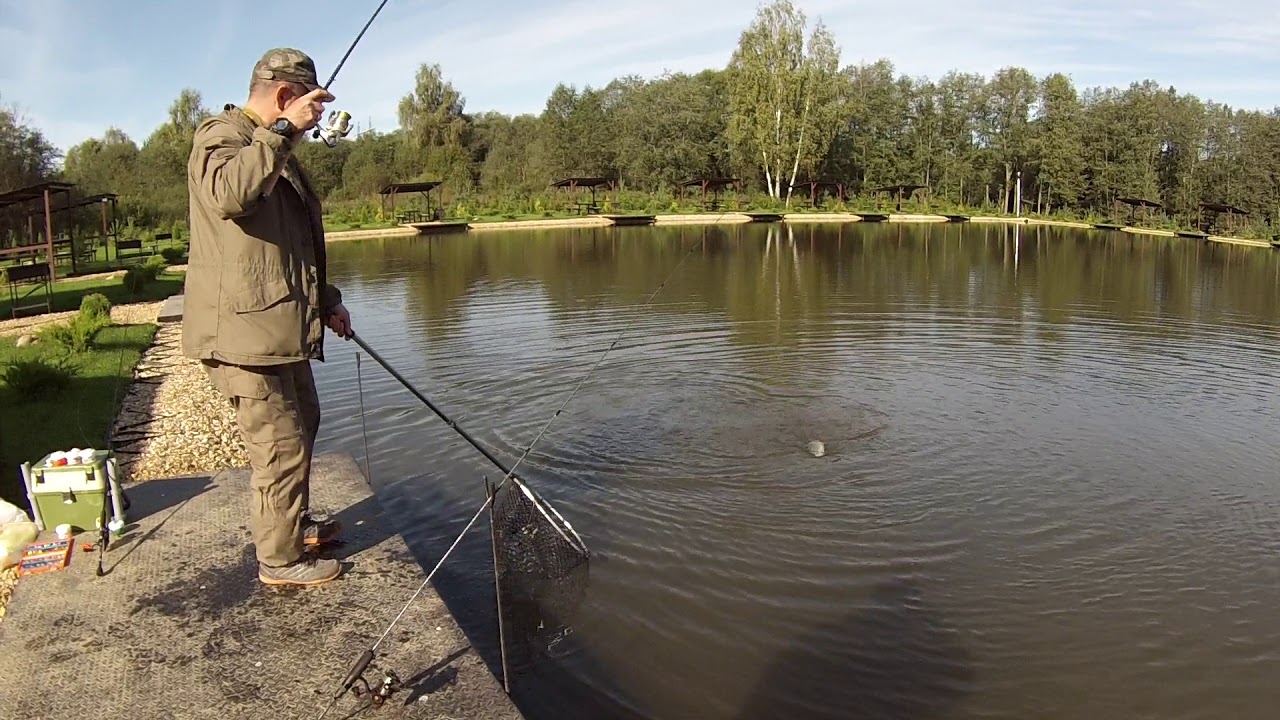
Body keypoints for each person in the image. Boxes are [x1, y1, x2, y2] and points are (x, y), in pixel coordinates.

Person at [182, 48, 353, 586]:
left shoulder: (275, 149)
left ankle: (293, 525)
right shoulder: (224, 135)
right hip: (241, 333)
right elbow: (230, 194)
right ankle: (279, 562)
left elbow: (293, 244)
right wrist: (282, 130)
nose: (315, 117)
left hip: (278, 327)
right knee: (280, 447)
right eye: (311, 104)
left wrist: (326, 300)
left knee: (304, 425)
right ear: (285, 95)